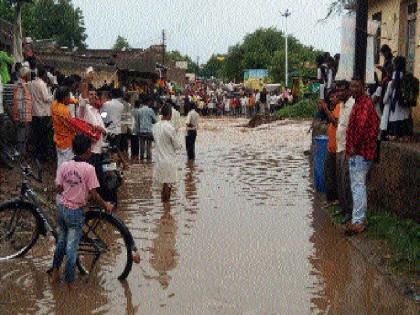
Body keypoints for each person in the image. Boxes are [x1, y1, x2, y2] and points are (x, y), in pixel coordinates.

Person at [51, 134, 114, 287]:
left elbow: (58, 188)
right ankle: (70, 283)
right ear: (89, 150)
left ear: (72, 149)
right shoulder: (89, 169)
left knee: (61, 242)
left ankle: (54, 273)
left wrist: (69, 188)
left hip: (61, 209)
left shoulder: (64, 165)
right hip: (75, 212)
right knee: (72, 248)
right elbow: (93, 194)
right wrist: (106, 205)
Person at [345, 77, 379, 234]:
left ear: (363, 87)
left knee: (358, 186)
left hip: (361, 151)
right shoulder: (359, 103)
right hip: (358, 151)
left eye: (356, 86)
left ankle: (358, 221)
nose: (352, 89)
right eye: (351, 86)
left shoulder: (364, 104)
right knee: (357, 185)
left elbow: (361, 127)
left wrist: (353, 147)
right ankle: (358, 218)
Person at [335, 81, 355, 224]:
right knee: (341, 179)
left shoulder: (353, 105)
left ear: (348, 91)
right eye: (338, 90)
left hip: (347, 148)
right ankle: (343, 207)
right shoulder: (342, 105)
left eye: (341, 90)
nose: (338, 93)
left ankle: (349, 211)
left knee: (347, 181)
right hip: (339, 147)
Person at [152, 104, 181, 202]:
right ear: (169, 114)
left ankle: (164, 211)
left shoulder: (155, 127)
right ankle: (167, 210)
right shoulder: (170, 128)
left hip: (159, 161)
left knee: (163, 187)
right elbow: (177, 146)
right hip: (169, 161)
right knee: (168, 186)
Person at [384, 56, 412, 141]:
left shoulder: (396, 73)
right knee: (404, 117)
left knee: (395, 117)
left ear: (396, 64)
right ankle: (405, 135)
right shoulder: (406, 74)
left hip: (397, 99)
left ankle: (395, 134)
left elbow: (393, 85)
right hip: (404, 100)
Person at [51, 87, 78, 169]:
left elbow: (69, 101)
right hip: (66, 141)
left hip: (58, 138)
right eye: (69, 96)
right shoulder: (64, 111)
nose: (70, 98)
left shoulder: (54, 104)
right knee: (67, 165)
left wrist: (76, 101)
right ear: (64, 97)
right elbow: (71, 126)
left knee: (60, 161)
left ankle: (59, 179)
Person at [31, 66, 53, 163]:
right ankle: (42, 157)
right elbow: (46, 98)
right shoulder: (41, 84)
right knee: (43, 137)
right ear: (43, 75)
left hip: (34, 113)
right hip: (43, 113)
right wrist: (55, 96)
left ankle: (36, 155)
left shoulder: (32, 83)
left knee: (37, 136)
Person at [322, 89, 340, 206]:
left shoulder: (339, 107)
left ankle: (333, 200)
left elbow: (335, 122)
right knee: (329, 173)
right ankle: (331, 199)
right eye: (330, 97)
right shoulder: (335, 108)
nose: (331, 99)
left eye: (333, 97)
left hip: (336, 148)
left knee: (332, 174)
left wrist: (325, 109)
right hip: (332, 147)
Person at [132, 96, 157, 161]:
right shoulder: (150, 110)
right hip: (148, 131)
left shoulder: (139, 111)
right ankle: (148, 161)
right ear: (148, 102)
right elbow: (155, 121)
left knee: (141, 146)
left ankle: (141, 159)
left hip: (141, 130)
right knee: (149, 147)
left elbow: (137, 122)